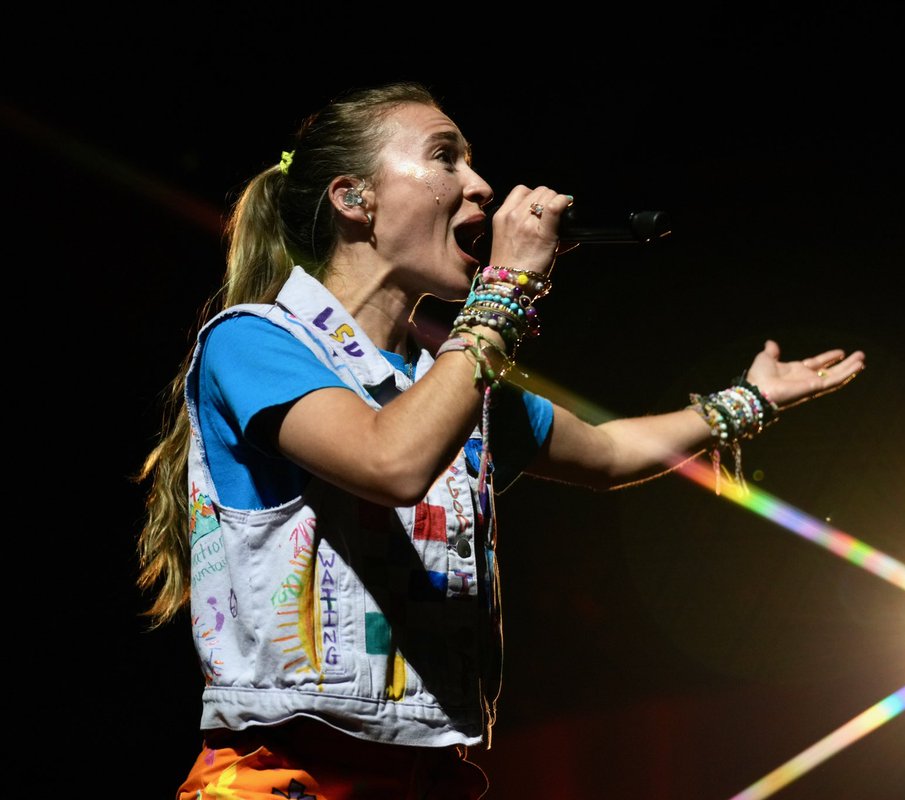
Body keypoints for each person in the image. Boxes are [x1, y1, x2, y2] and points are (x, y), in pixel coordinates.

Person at [136, 81, 866, 799]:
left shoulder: (450, 385)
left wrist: (751, 398)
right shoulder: (254, 342)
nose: (482, 186)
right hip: (290, 777)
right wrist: (507, 287)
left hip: (429, 775)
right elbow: (389, 461)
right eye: (445, 157)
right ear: (354, 199)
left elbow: (608, 453)